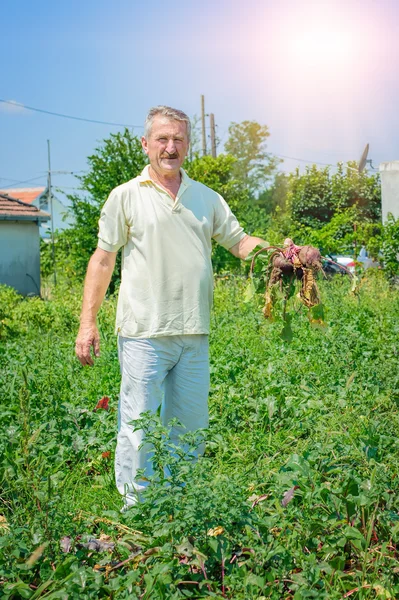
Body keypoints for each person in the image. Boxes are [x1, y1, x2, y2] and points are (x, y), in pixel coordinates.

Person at [75, 105, 268, 510]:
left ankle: (180, 504)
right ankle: (137, 509)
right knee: (138, 426)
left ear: (188, 145)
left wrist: (285, 253)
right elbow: (103, 259)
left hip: (194, 332)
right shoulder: (126, 195)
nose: (170, 147)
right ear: (145, 144)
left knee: (190, 427)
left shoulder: (206, 198)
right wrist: (87, 323)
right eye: (162, 139)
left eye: (178, 139)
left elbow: (240, 242)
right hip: (144, 331)